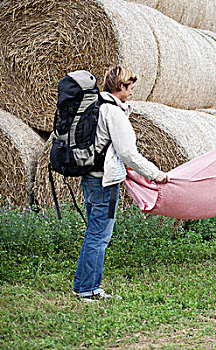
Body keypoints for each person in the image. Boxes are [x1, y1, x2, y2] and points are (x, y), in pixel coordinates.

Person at [73, 66, 169, 301]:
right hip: (105, 183)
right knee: (99, 236)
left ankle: (85, 285)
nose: (133, 92)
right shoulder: (113, 112)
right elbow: (128, 152)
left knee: (93, 233)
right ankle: (88, 289)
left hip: (90, 177)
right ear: (120, 87)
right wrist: (154, 174)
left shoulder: (95, 106)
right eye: (131, 87)